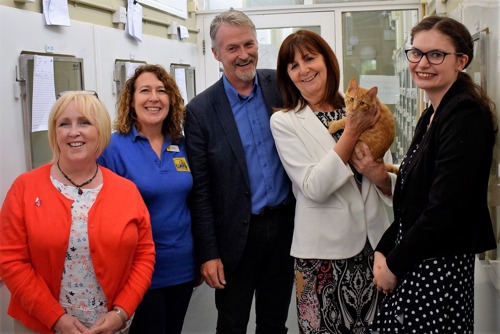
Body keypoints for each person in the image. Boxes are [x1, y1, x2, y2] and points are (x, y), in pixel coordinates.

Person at [370, 16, 497, 334]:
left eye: (436, 54)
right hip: (417, 258)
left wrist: (394, 264)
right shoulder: (431, 113)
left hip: (438, 267)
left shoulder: (465, 114)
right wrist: (382, 252)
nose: (422, 63)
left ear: (461, 61)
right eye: (416, 53)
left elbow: (444, 209)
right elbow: (412, 200)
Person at [270, 30, 397, 333]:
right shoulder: (285, 122)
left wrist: (380, 177)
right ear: (288, 76)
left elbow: (386, 172)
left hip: (374, 250)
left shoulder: (365, 107)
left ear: (327, 61)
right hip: (321, 258)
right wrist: (351, 133)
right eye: (294, 65)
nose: (304, 70)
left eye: (310, 58)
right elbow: (313, 187)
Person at [0, 91, 155, 334]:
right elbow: (11, 261)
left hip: (109, 327)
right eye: (64, 124)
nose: (74, 132)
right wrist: (55, 318)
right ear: (55, 133)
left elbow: (144, 256)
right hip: (39, 325)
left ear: (100, 131)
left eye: (84, 122)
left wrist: (121, 312)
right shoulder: (25, 188)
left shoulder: (127, 192)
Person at [184, 9, 296, 334]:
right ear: (216, 53)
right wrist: (209, 253)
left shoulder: (280, 86)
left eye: (249, 44)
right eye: (232, 48)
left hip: (285, 228)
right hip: (236, 239)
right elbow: (200, 191)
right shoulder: (200, 112)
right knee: (232, 323)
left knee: (275, 322)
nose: (243, 54)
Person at [97, 64, 197, 334]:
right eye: (145, 91)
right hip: (138, 270)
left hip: (182, 266)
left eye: (161, 90)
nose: (154, 97)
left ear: (171, 100)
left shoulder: (183, 144)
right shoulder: (112, 147)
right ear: (131, 101)